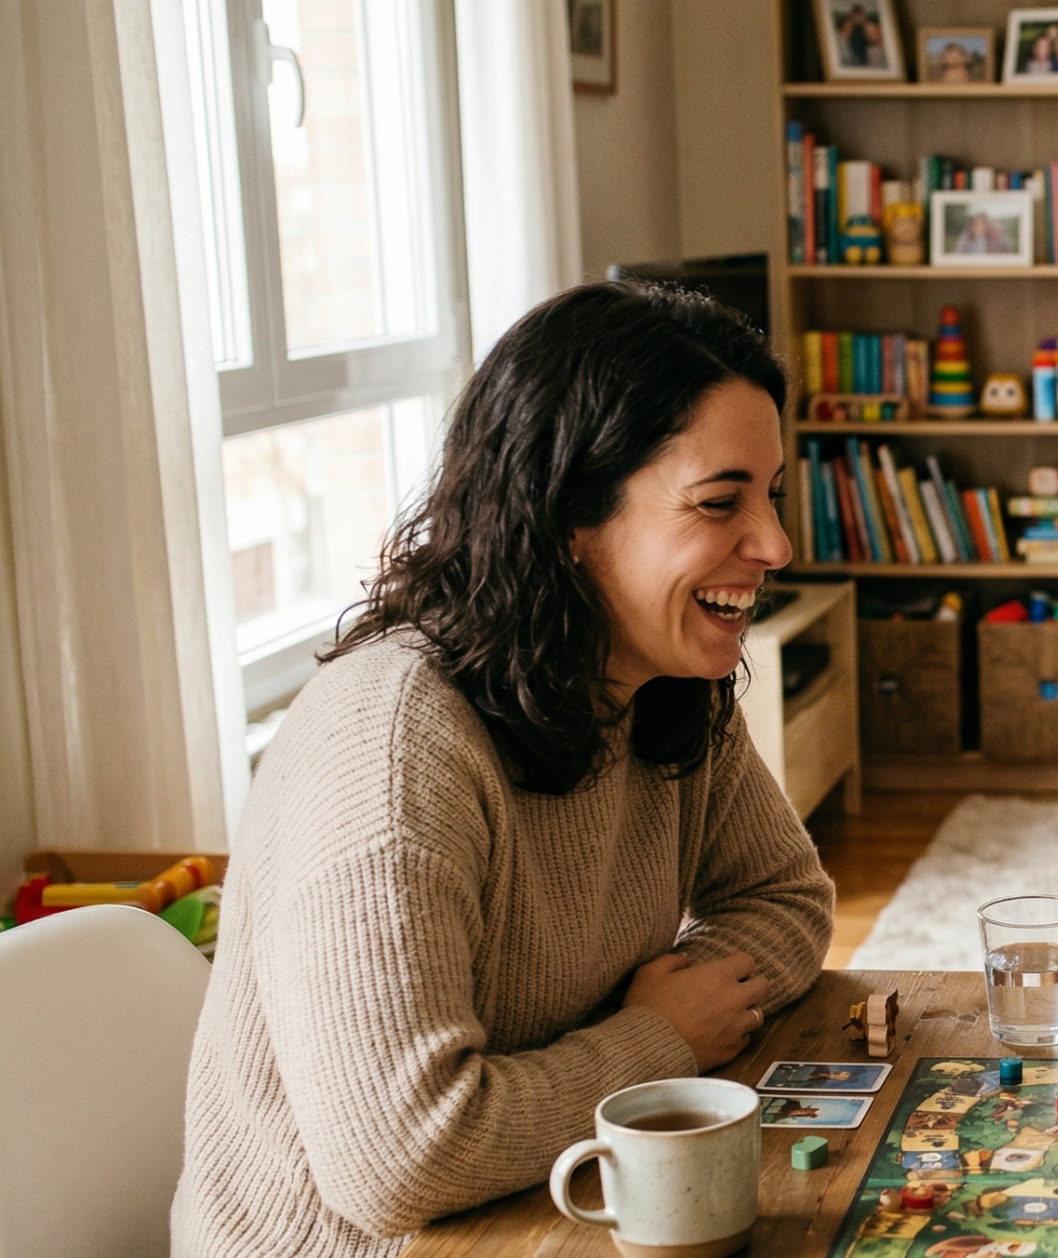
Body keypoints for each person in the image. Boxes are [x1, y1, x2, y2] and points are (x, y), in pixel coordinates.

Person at [172, 283, 837, 1258]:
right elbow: (400, 1161)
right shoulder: (390, 747)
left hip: (551, 1199)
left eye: (769, 495)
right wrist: (654, 1041)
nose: (774, 544)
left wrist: (647, 1026)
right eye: (718, 501)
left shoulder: (665, 680)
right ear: (571, 510)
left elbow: (788, 898)